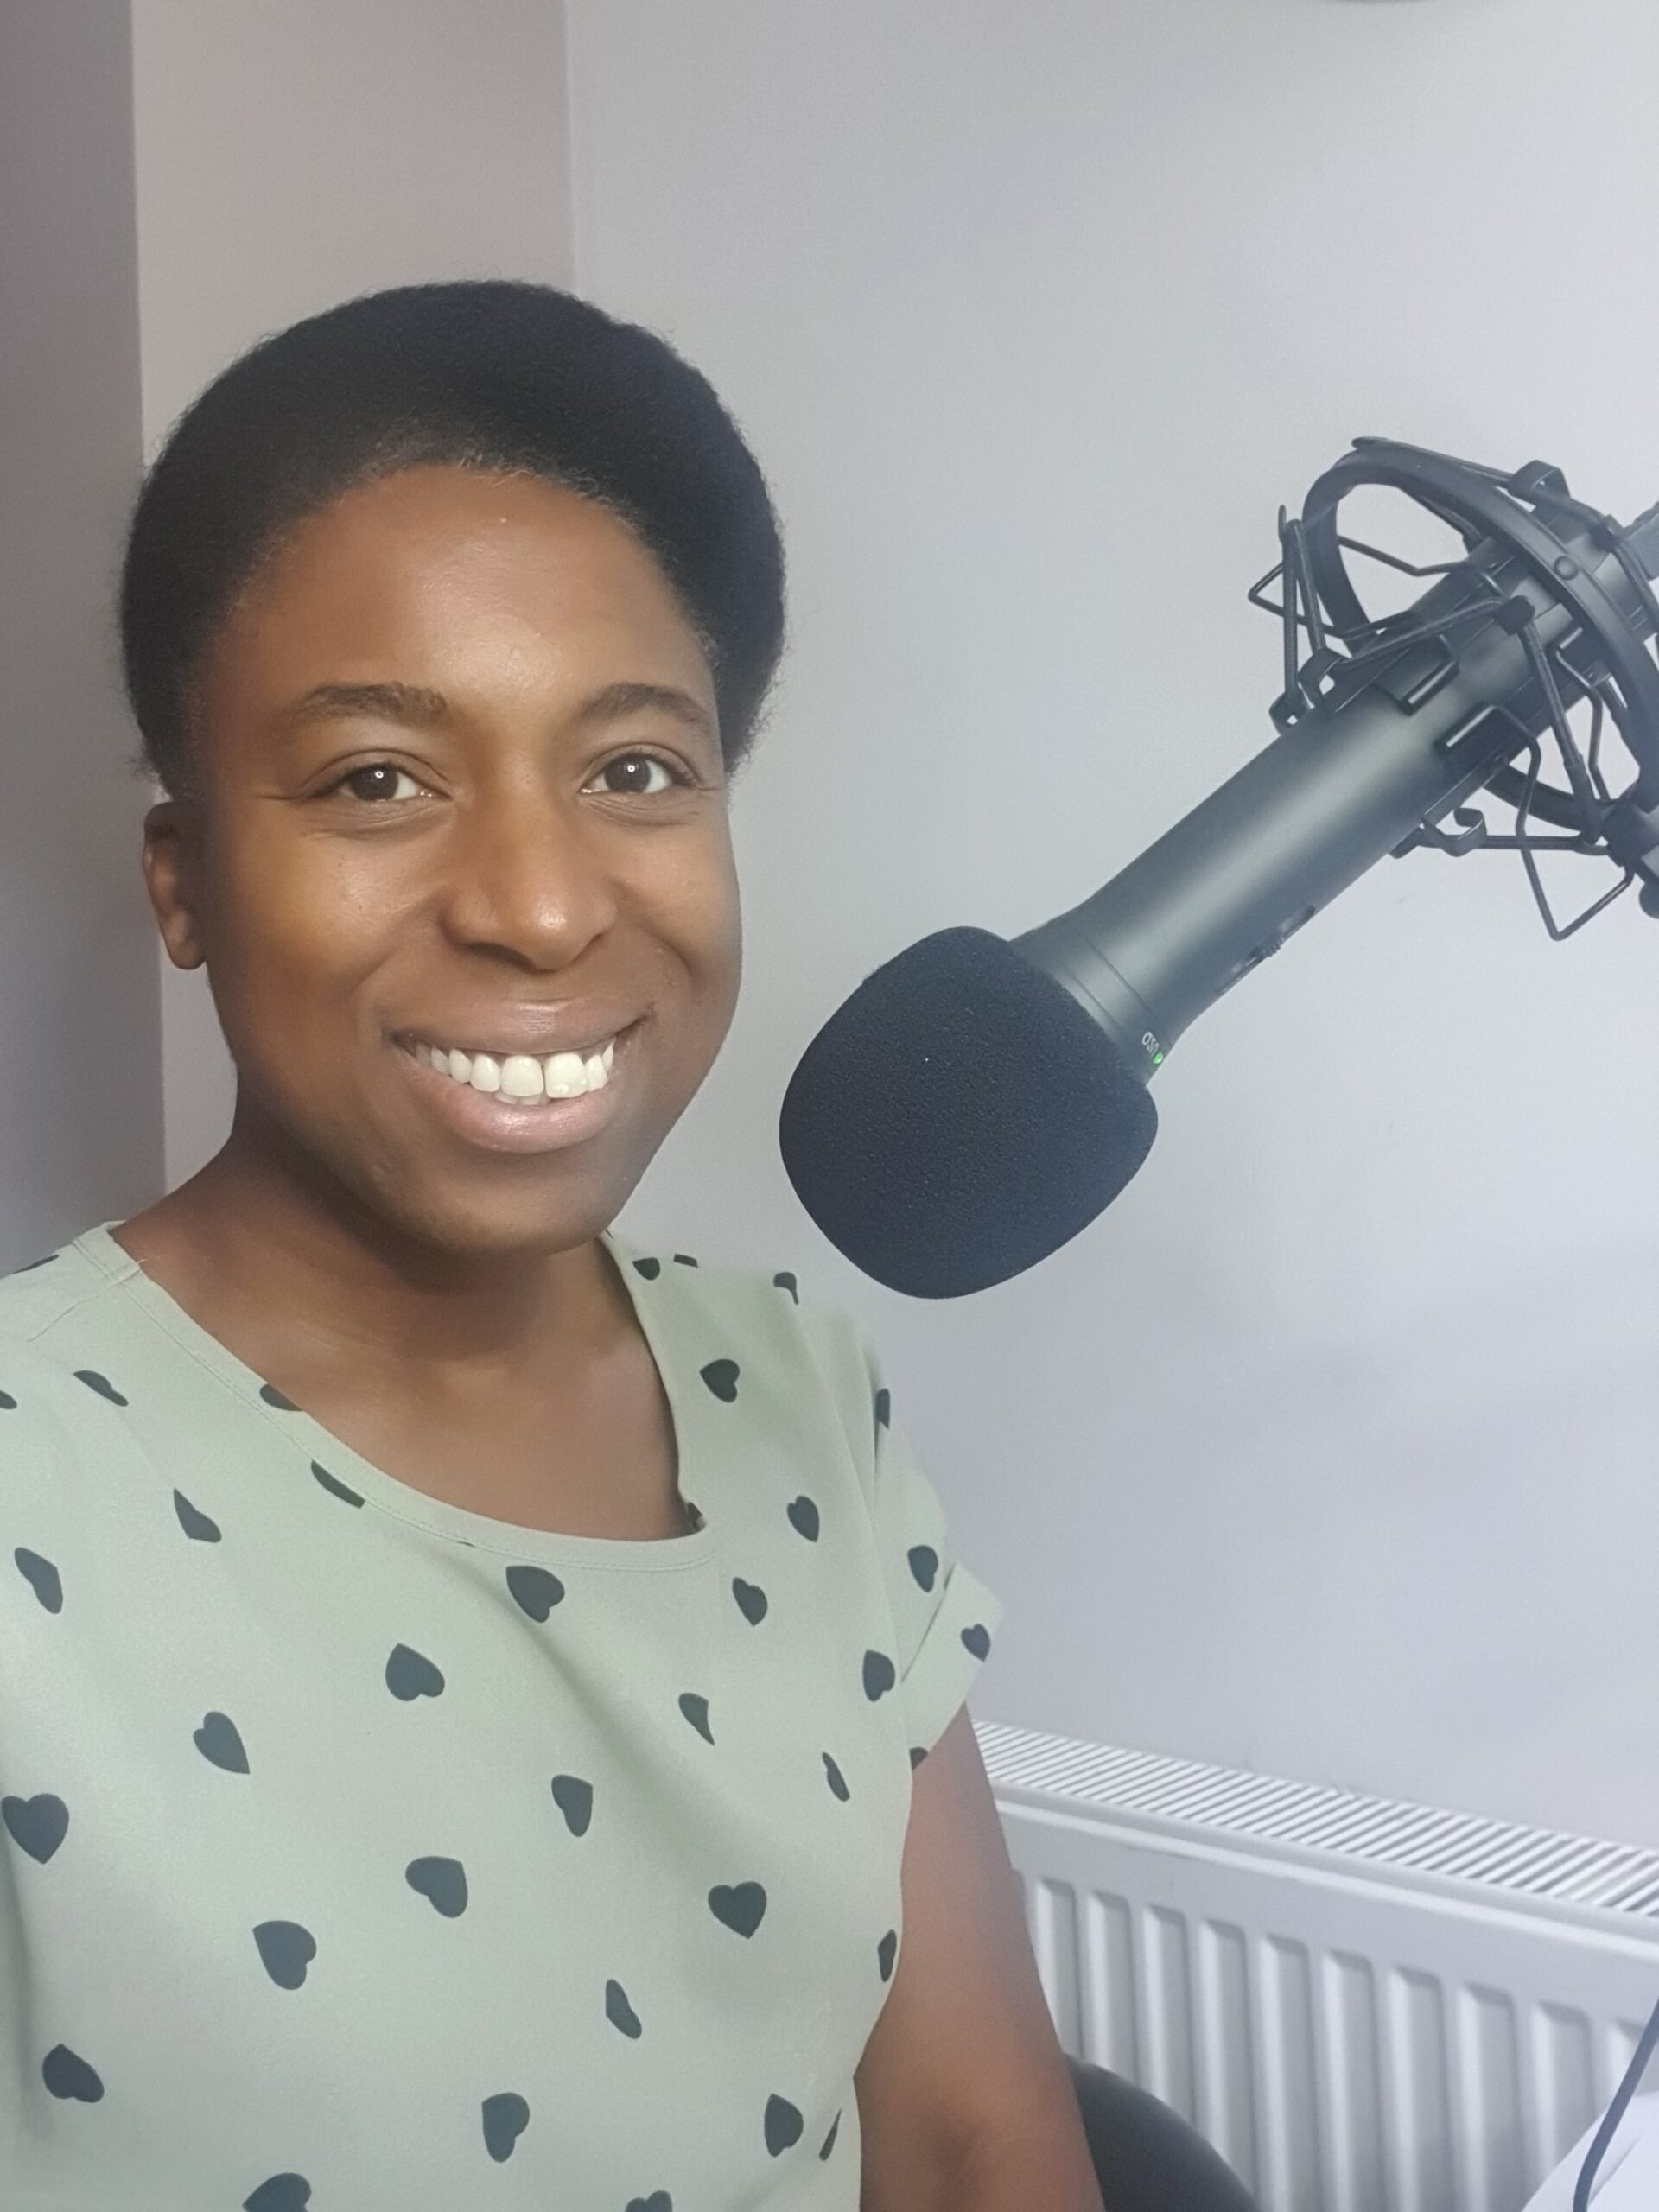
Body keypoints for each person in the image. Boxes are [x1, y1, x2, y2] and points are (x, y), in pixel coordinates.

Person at [0, 280, 1103, 2211]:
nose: (534, 902)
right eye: (376, 779)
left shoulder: (799, 1394)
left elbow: (967, 2132)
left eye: (635, 769)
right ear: (184, 881)